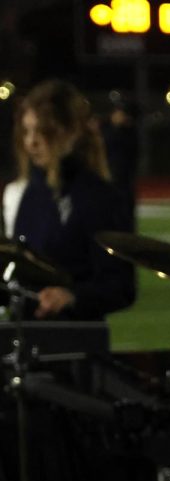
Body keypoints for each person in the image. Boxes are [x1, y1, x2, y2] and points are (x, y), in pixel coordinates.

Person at [1, 79, 135, 320]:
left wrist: (73, 297)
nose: (31, 142)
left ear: (71, 132)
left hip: (75, 347)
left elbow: (122, 286)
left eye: (43, 131)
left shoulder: (99, 198)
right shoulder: (30, 193)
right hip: (27, 343)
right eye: (26, 131)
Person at [99, 95, 139, 232]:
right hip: (106, 182)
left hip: (123, 183)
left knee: (126, 222)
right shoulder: (104, 129)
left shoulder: (129, 132)